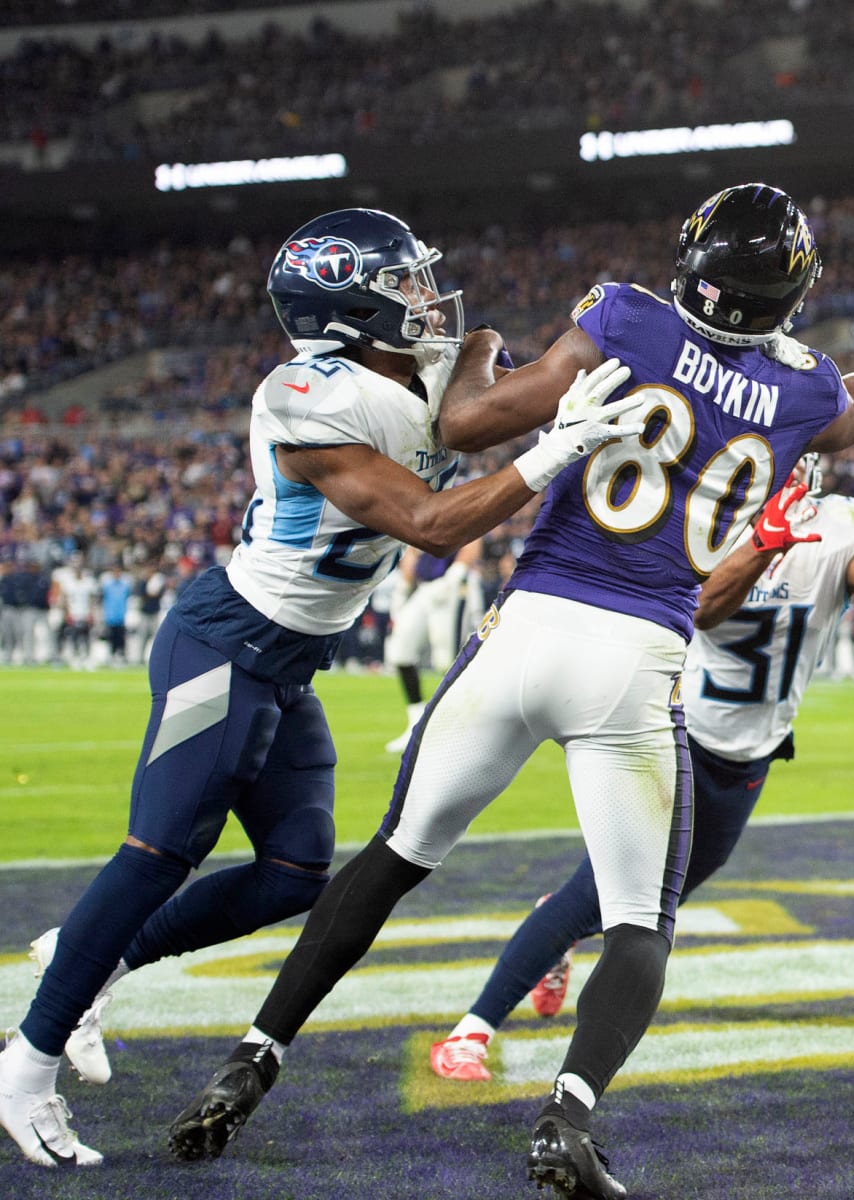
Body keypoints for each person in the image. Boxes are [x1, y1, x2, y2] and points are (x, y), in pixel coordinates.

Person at [166, 182, 854, 1199]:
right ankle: (568, 1117)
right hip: (637, 661)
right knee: (643, 920)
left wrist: (479, 348)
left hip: (524, 634)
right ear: (791, 291)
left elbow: (465, 422)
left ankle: (253, 1057)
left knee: (390, 859)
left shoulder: (624, 316)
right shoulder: (806, 392)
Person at [0, 206, 640, 1170]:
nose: (427, 296)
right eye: (404, 285)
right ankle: (25, 1067)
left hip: (293, 660)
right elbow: (428, 522)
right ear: (347, 310)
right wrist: (550, 451)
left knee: (298, 868)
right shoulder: (308, 395)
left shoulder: (411, 371)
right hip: (226, 642)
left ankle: (90, 962)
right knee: (158, 850)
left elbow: (473, 355)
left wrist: (488, 351)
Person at [428, 443, 854, 1083]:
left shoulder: (839, 526)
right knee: (615, 903)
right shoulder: (704, 520)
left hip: (750, 755)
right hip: (670, 734)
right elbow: (699, 611)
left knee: (642, 905)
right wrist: (762, 546)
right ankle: (470, 1031)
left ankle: (557, 931)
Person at [382, 539, 486, 753]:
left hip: (452, 583)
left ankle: (459, 729)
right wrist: (404, 583)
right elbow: (411, 543)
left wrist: (457, 572)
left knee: (448, 658)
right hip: (424, 585)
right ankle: (416, 724)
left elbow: (474, 538)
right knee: (400, 650)